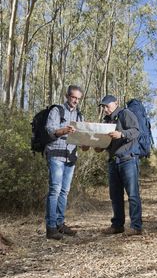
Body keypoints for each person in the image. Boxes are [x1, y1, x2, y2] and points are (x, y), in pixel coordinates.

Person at [96, 94, 142, 236]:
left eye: (107, 105)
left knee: (132, 194)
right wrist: (98, 146)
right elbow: (105, 143)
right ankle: (117, 225)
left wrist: (121, 134)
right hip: (113, 161)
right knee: (115, 196)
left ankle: (136, 226)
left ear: (116, 103)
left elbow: (136, 131)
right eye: (103, 106)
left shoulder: (126, 113)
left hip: (128, 159)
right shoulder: (106, 121)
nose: (104, 109)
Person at [45, 85, 86, 240]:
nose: (75, 101)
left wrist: (87, 143)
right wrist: (65, 130)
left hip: (71, 157)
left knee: (64, 191)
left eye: (78, 98)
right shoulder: (57, 111)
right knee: (55, 190)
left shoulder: (80, 116)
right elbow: (51, 130)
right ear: (67, 96)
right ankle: (50, 228)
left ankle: (60, 224)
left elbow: (81, 139)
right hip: (56, 154)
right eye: (73, 97)